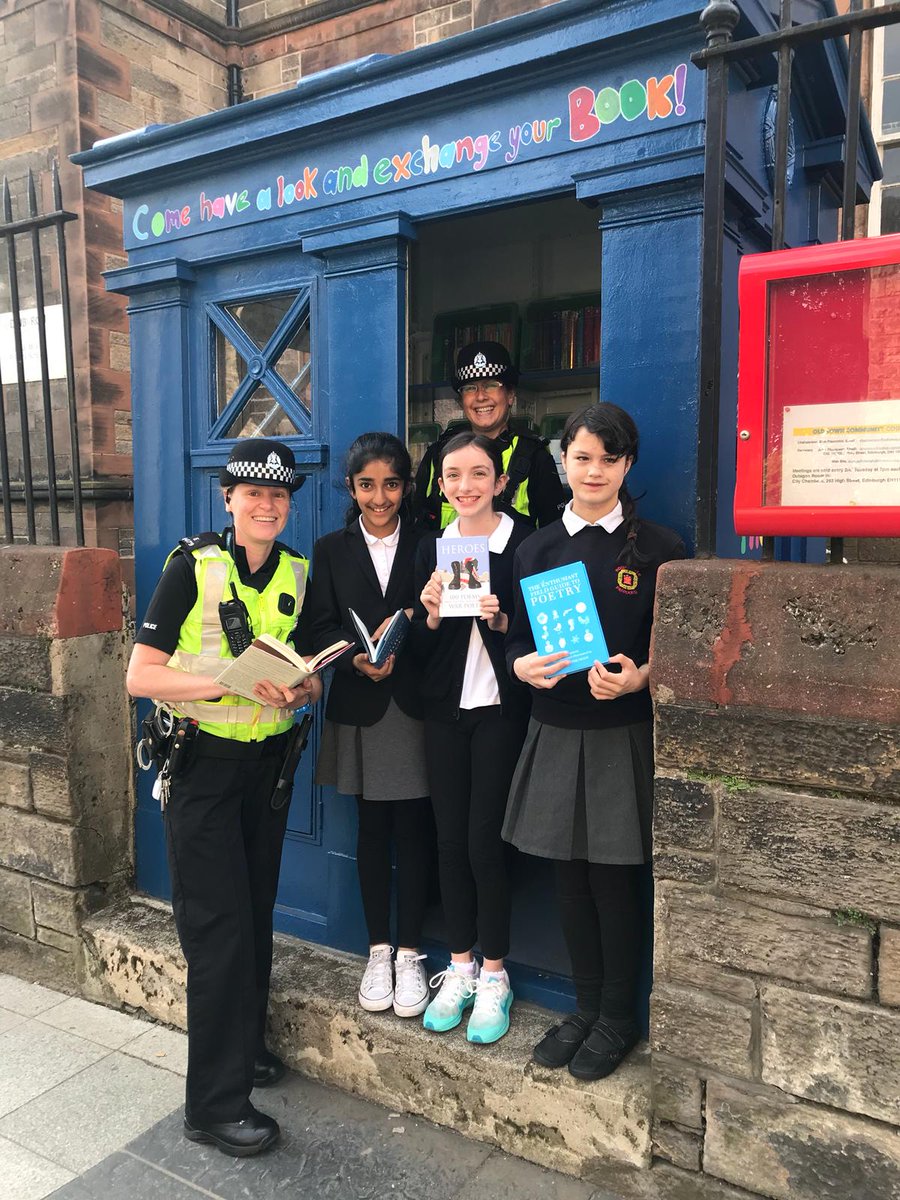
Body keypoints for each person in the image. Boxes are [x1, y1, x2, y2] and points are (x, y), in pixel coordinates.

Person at [126, 438, 323, 1157]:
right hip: (203, 771)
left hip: (268, 769)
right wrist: (219, 684)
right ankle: (212, 1106)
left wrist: (305, 684)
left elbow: (310, 673)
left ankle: (246, 1053)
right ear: (229, 499)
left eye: (279, 496)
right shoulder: (193, 567)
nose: (267, 505)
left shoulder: (298, 573)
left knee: (254, 916)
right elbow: (140, 676)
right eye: (253, 493)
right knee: (218, 936)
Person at [502, 403, 685, 1081]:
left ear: (627, 465)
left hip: (618, 735)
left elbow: (675, 654)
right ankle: (583, 1007)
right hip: (554, 728)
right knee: (568, 881)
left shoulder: (663, 549)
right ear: (563, 463)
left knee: (613, 881)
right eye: (582, 457)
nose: (595, 471)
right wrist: (520, 665)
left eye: (609, 459)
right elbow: (517, 641)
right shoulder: (535, 549)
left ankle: (619, 1017)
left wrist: (640, 678)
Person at [305, 432, 432, 1019]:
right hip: (359, 702)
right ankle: (378, 949)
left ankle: (411, 953)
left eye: (390, 484)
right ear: (351, 488)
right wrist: (351, 657)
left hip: (415, 705)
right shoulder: (330, 549)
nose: (379, 498)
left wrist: (414, 629)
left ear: (406, 487)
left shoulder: (433, 543)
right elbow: (315, 628)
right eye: (366, 485)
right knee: (371, 831)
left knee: (416, 831)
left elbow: (449, 625)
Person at [412, 430, 532, 1044]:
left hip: (499, 713)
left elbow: (536, 632)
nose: (466, 486)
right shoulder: (432, 547)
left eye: (479, 473)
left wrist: (502, 617)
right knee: (449, 842)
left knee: (486, 843)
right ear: (440, 484)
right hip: (445, 714)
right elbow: (421, 652)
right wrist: (430, 614)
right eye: (453, 475)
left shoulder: (523, 544)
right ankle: (458, 966)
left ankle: (495, 973)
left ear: (499, 482)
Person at [412, 340, 565, 531]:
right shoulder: (438, 454)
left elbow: (554, 535)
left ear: (510, 395)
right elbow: (417, 523)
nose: (481, 396)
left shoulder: (535, 456)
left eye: (491, 385)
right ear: (461, 402)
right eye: (470, 388)